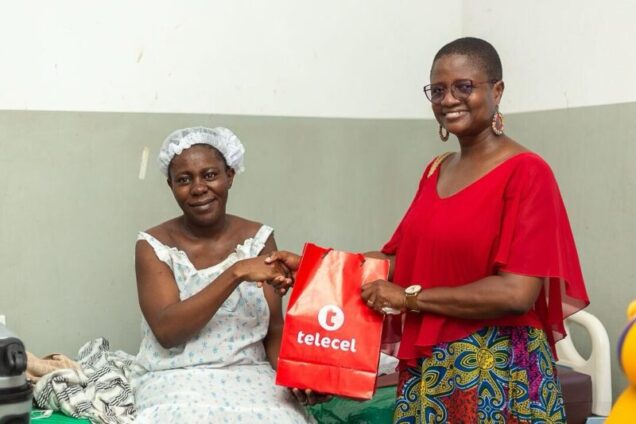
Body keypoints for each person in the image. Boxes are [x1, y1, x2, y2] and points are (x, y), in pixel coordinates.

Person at [266, 37, 589, 423]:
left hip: (498, 371)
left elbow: (516, 293)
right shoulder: (437, 169)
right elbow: (399, 260)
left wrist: (410, 299)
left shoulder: (527, 173)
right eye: (437, 90)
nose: (448, 99)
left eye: (463, 86)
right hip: (430, 367)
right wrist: (316, 269)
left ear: (497, 91)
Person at [130, 126, 313, 423]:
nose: (198, 188)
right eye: (184, 179)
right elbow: (167, 332)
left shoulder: (259, 239)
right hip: (176, 376)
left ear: (230, 176)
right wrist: (236, 272)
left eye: (210, 175)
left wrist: (295, 377)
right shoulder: (154, 245)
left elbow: (274, 328)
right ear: (170, 185)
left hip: (250, 375)